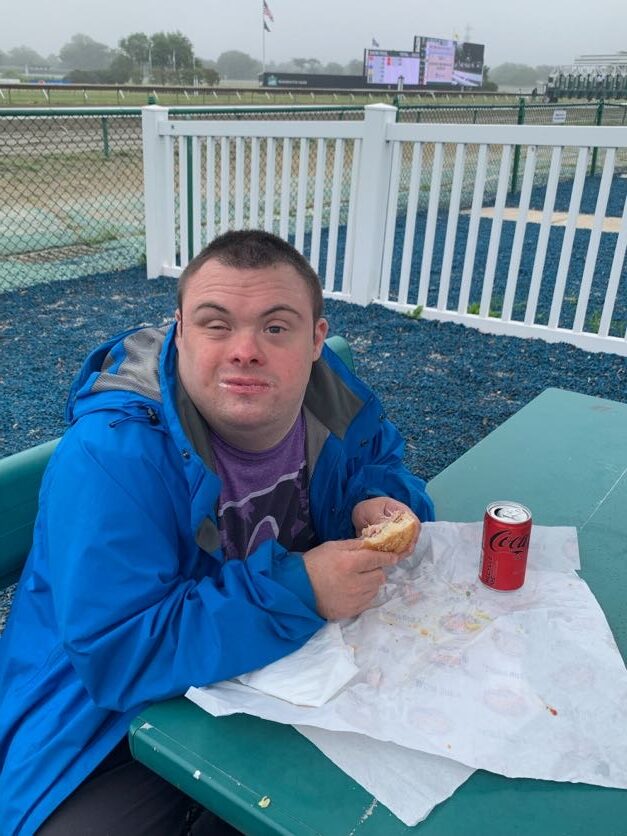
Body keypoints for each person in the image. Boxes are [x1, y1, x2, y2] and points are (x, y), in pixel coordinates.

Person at [0, 230, 434, 834]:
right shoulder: (111, 459)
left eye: (276, 328)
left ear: (316, 341)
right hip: (97, 723)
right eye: (216, 324)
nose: (245, 351)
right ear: (180, 333)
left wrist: (377, 501)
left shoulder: (330, 399)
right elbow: (120, 652)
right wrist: (302, 590)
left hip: (263, 675)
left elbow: (379, 462)